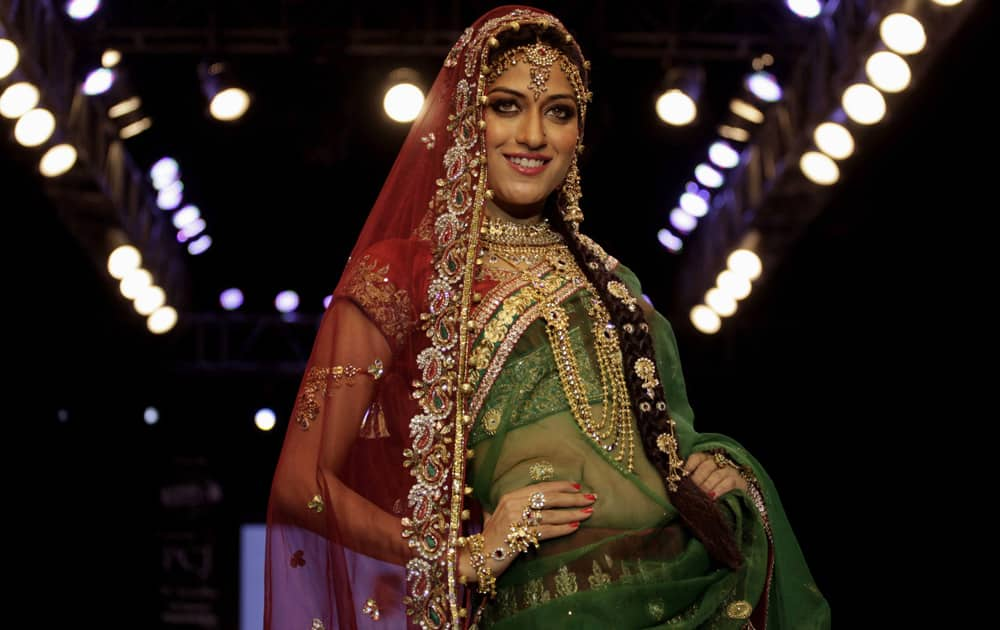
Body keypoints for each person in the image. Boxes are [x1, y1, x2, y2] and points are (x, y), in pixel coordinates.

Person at [264, 6, 830, 628]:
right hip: (548, 605)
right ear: (464, 118)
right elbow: (301, 484)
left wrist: (717, 467)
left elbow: (671, 441)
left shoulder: (615, 285)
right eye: (506, 106)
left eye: (558, 112)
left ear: (578, 133)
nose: (532, 135)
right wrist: (459, 555)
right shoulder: (407, 275)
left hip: (691, 589)